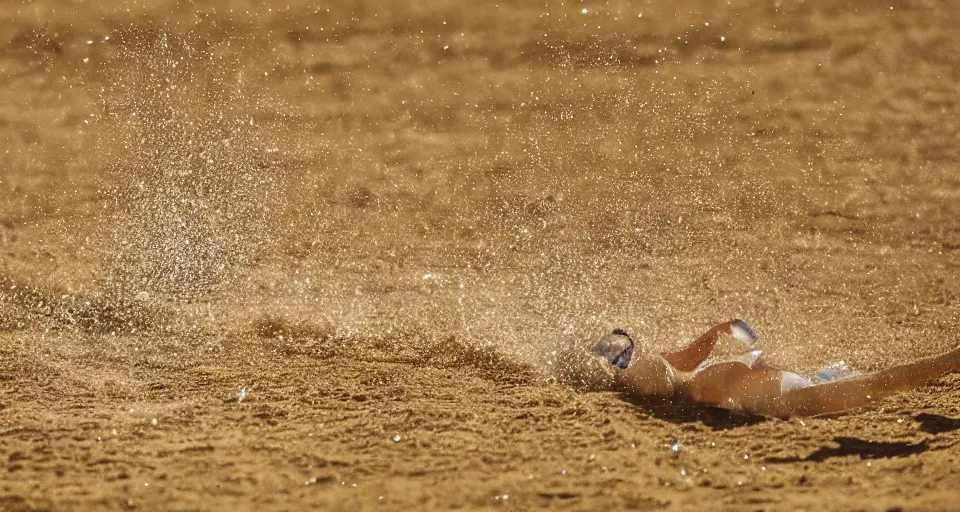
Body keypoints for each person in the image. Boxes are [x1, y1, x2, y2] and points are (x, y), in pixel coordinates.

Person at [555, 319, 960, 418]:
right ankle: (951, 359)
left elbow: (685, 357)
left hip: (754, 386)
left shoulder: (646, 373)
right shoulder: (644, 381)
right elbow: (684, 359)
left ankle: (951, 359)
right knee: (867, 386)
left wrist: (714, 332)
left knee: (865, 385)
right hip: (763, 394)